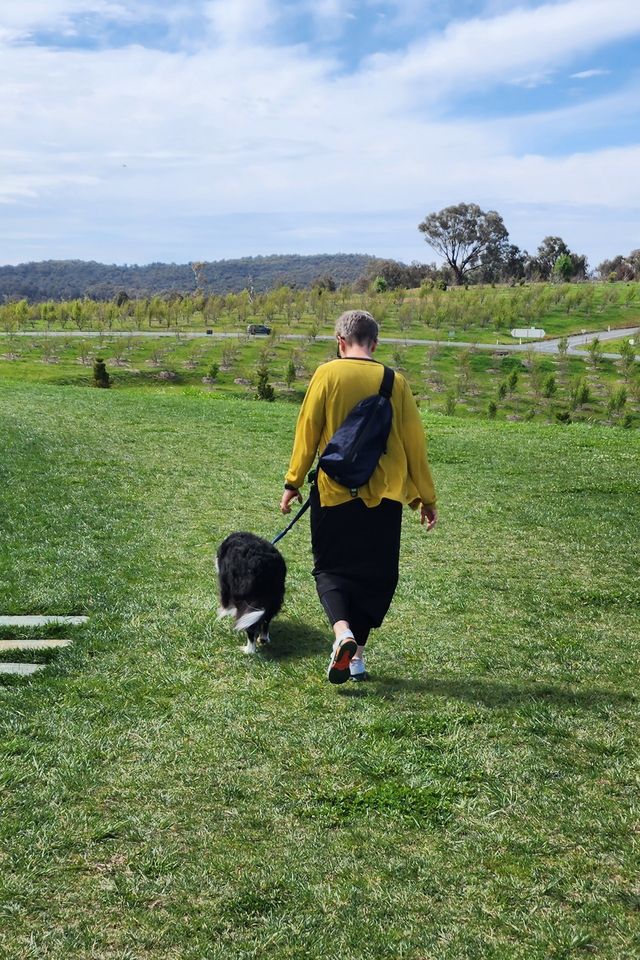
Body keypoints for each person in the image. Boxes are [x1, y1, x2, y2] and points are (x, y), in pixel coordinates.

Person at [280, 309, 437, 684]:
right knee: (376, 575)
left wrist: (293, 481)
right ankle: (357, 659)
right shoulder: (394, 381)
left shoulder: (326, 374)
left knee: (330, 569)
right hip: (385, 495)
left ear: (339, 341)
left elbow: (307, 431)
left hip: (333, 492)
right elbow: (415, 444)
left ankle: (342, 634)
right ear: (375, 343)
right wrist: (425, 498)